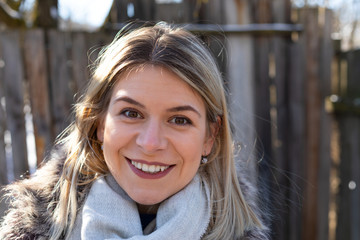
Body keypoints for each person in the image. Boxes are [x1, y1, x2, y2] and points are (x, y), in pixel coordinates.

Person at [0, 23, 269, 239]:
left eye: (179, 120)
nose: (151, 143)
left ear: (209, 137)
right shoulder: (31, 231)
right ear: (99, 123)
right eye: (131, 113)